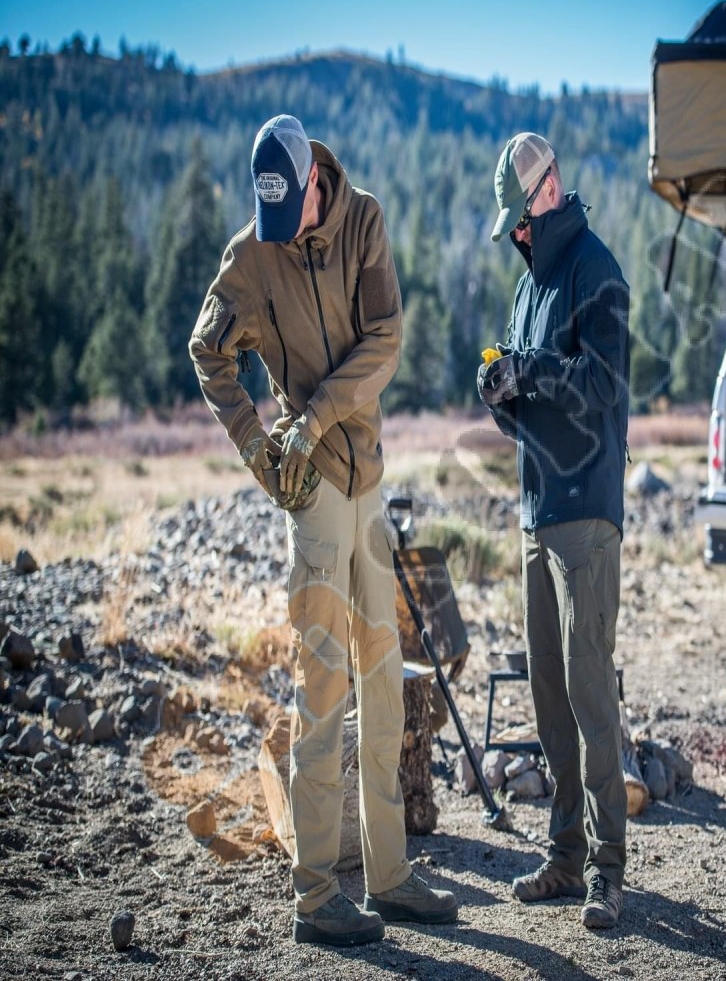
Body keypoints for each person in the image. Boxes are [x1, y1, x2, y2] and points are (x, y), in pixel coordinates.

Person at [189, 114, 457, 947]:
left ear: (316, 179)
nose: (283, 227)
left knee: (385, 683)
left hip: (366, 477)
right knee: (322, 686)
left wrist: (313, 420)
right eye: (268, 214)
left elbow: (386, 342)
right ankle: (314, 895)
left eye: (292, 208)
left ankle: (390, 875)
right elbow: (207, 351)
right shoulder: (251, 253)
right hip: (312, 497)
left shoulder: (363, 219)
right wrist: (256, 445)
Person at [478, 132, 631, 929]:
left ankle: (608, 868)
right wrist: (501, 394)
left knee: (588, 690)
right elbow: (530, 406)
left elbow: (604, 384)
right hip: (537, 511)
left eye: (521, 215)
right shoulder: (527, 285)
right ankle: (565, 856)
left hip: (586, 513)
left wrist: (529, 370)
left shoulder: (596, 270)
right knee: (548, 693)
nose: (515, 231)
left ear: (548, 191)